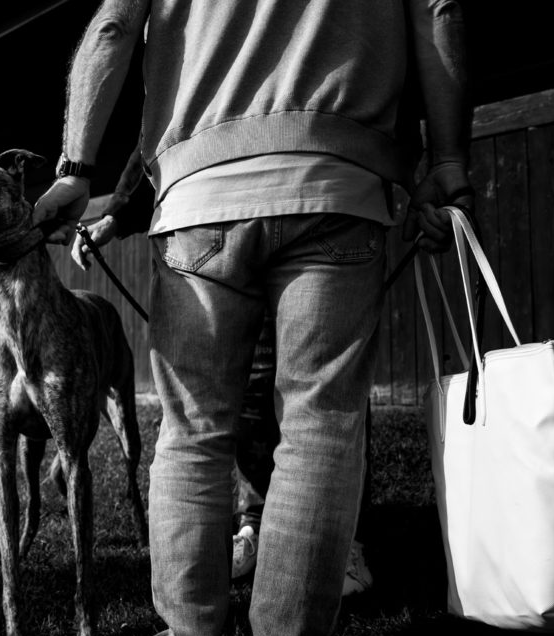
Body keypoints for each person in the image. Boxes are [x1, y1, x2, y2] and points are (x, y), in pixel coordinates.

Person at [33, 1, 473, 636]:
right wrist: (447, 159)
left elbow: (114, 27)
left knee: (193, 432)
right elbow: (438, 11)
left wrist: (76, 167)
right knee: (320, 428)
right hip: (337, 181)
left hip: (200, 192)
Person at [89, 146, 375, 591]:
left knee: (311, 407)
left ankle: (335, 547)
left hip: (295, 192)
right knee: (254, 403)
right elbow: (156, 125)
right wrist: (117, 213)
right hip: (258, 198)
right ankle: (258, 523)